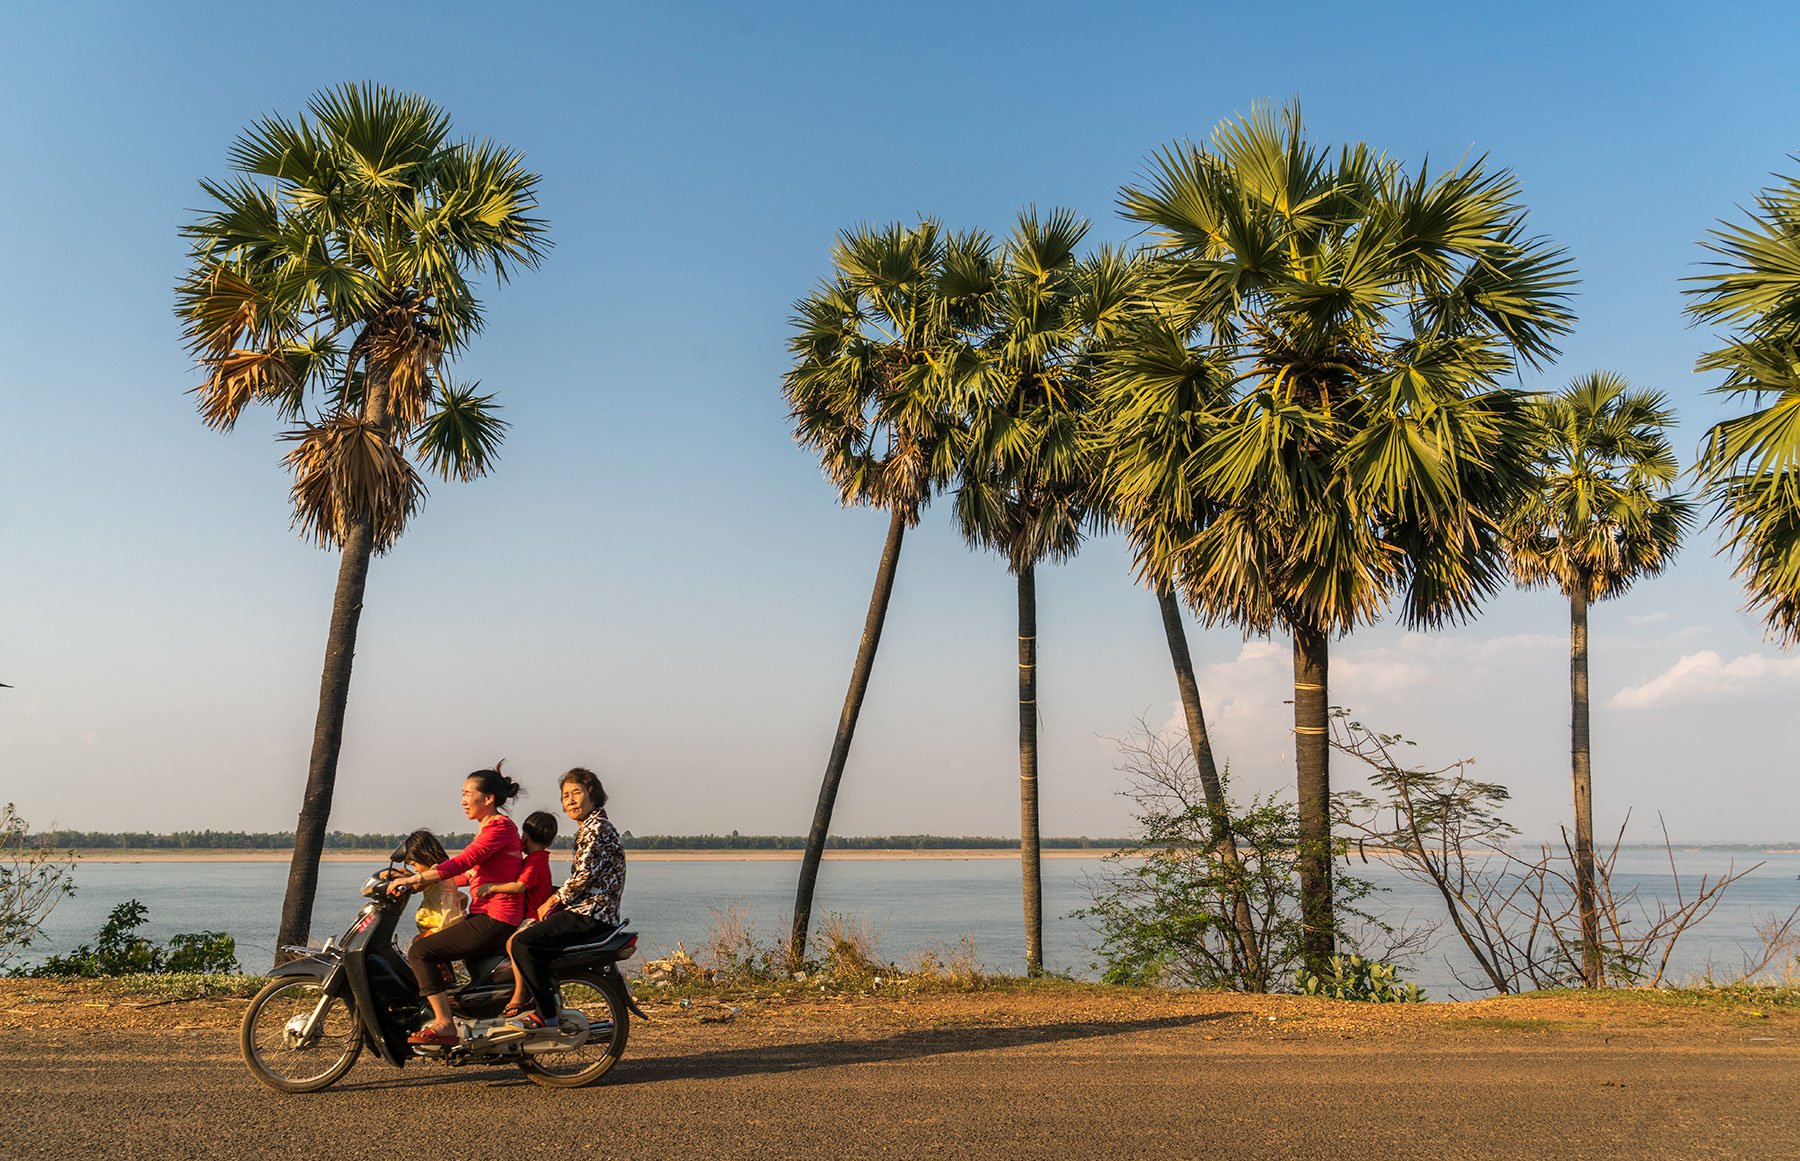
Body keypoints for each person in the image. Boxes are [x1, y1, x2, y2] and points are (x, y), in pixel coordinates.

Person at [390, 763, 526, 1047]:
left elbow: (461, 863)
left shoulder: (499, 828)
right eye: (461, 794)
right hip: (486, 914)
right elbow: (466, 875)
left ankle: (444, 1023)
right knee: (429, 941)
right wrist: (416, 880)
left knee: (420, 952)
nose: (462, 800)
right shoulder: (489, 829)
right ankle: (452, 1007)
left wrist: (419, 877)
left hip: (497, 918)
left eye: (467, 793)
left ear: (487, 799)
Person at [504, 767, 625, 1034]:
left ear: (592, 794)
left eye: (576, 793)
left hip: (592, 913)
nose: (569, 800)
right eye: (565, 795)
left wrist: (553, 899)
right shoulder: (590, 827)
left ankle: (546, 1014)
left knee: (523, 943)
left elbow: (584, 876)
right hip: (591, 910)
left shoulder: (597, 828)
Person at [480, 810, 558, 1017]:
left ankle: (520, 993)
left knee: (512, 943)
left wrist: (491, 887)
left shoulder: (536, 860)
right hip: (531, 914)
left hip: (534, 917)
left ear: (526, 835)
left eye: (523, 834)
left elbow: (519, 887)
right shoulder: (536, 858)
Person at [397, 829, 466, 942]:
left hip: (445, 922)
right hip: (442, 920)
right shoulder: (440, 868)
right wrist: (406, 874)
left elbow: (417, 887)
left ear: (424, 856)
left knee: (418, 943)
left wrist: (401, 879)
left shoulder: (436, 871)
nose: (415, 869)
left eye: (414, 864)